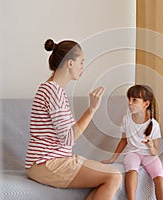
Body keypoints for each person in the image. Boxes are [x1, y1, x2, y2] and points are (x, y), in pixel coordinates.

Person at [25, 39, 122, 200]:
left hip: (47, 161)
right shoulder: (53, 91)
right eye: (81, 62)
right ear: (70, 63)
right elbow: (70, 138)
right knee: (114, 176)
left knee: (112, 174)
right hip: (47, 163)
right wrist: (92, 110)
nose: (83, 67)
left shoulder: (53, 89)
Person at [101, 85, 163, 200]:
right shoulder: (127, 119)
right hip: (133, 153)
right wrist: (113, 158)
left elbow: (155, 151)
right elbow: (124, 140)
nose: (130, 103)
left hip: (149, 155)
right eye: (129, 99)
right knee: (132, 171)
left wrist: (151, 146)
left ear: (146, 104)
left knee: (159, 177)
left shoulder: (154, 125)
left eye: (134, 100)